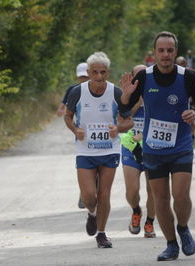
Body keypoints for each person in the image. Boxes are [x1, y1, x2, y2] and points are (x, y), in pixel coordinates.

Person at [120, 31, 195, 261]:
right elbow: (125, 112)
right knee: (161, 200)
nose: (165, 54)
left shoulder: (187, 76)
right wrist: (126, 97)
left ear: (175, 52)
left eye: (170, 50)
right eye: (161, 50)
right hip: (153, 149)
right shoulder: (145, 78)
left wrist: (194, 111)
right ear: (154, 53)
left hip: (181, 146)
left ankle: (184, 228)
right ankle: (171, 245)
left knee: (181, 194)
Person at [64, 52, 133, 248]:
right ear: (88, 72)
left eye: (103, 72)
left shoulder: (116, 92)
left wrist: (118, 128)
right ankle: (91, 213)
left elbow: (129, 120)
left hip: (109, 150)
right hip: (85, 151)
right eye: (95, 72)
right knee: (89, 196)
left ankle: (102, 234)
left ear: (108, 72)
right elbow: (68, 116)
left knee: (104, 194)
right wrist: (74, 129)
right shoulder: (77, 92)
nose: (99, 76)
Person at [120, 64, 156, 238]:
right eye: (138, 75)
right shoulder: (126, 95)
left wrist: (144, 134)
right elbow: (120, 118)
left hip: (152, 148)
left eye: (144, 75)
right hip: (130, 147)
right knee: (132, 191)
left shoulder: (156, 93)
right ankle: (136, 211)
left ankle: (150, 222)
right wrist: (137, 103)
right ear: (133, 78)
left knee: (153, 190)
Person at [56, 62, 91, 209]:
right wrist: (61, 110)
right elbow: (63, 105)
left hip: (101, 133)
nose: (83, 79)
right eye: (81, 77)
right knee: (85, 165)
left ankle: (91, 193)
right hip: (82, 133)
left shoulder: (99, 89)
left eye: (85, 76)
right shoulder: (73, 89)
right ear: (77, 77)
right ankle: (84, 194)